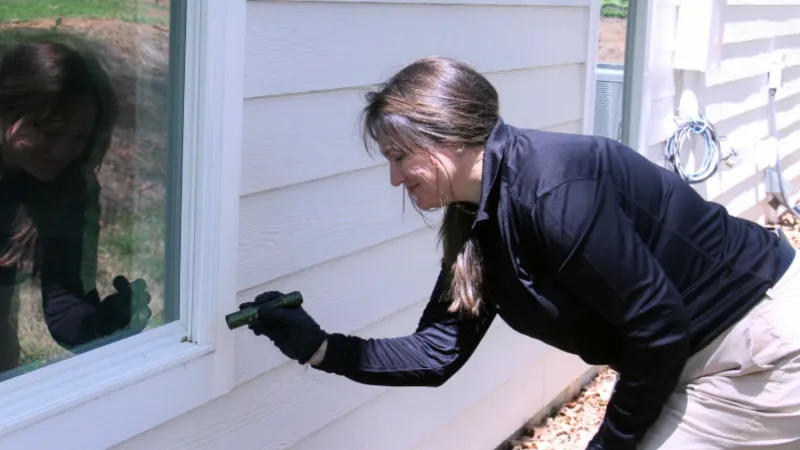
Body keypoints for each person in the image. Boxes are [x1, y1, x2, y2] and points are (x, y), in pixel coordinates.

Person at [238, 56, 800, 449]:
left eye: (399, 156)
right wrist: (318, 348)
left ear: (448, 136)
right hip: (692, 354)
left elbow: (657, 326)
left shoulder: (552, 190)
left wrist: (610, 443)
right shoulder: (478, 220)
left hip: (758, 344)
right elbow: (438, 352)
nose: (394, 179)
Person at [0, 38, 151, 373]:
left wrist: (103, 324)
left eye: (78, 138)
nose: (62, 153)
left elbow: (63, 306)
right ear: (5, 109)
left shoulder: (66, 187)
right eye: (51, 132)